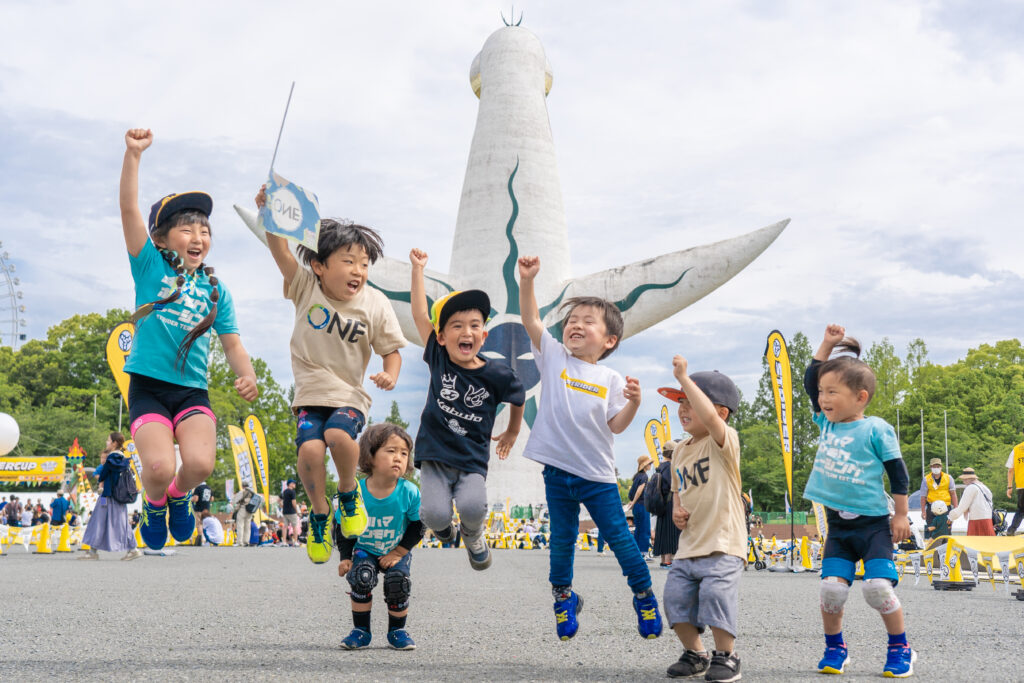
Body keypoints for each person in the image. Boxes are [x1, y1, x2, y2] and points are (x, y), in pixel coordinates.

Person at [120, 128, 259, 551]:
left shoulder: (218, 291)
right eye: (186, 229)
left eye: (204, 230)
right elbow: (128, 210)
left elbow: (233, 344)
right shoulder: (148, 267)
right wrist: (133, 156)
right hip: (148, 387)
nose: (198, 237)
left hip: (192, 391)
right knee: (158, 468)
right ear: (161, 238)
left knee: (198, 464)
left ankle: (178, 496)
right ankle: (156, 499)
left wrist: (248, 376)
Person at [254, 186, 405, 565]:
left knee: (338, 435)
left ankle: (350, 491)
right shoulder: (305, 286)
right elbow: (281, 251)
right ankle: (321, 514)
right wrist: (270, 214)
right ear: (320, 265)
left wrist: (390, 374)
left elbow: (392, 351)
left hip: (349, 396)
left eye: (365, 263)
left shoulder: (375, 303)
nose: (359, 271)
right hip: (309, 394)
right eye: (349, 261)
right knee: (309, 449)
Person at [517, 255, 662, 642]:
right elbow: (531, 321)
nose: (575, 325)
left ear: (610, 340)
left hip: (597, 476)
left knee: (619, 539)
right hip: (556, 471)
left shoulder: (609, 377)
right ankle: (563, 599)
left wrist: (633, 402)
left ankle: (645, 597)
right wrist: (527, 281)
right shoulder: (554, 357)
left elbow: (615, 425)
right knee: (561, 539)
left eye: (587, 321)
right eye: (571, 321)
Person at [802, 326, 914, 678]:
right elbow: (808, 379)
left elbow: (898, 474)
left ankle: (901, 649)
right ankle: (836, 649)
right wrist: (827, 345)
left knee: (878, 589)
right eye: (822, 392)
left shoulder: (876, 428)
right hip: (838, 527)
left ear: (860, 397)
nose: (822, 398)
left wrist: (901, 515)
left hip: (873, 525)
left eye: (832, 392)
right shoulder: (826, 423)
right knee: (830, 591)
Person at [407, 248, 525, 570]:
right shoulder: (439, 357)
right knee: (433, 514)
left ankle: (473, 536)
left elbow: (518, 397)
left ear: (484, 336)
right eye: (456, 326)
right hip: (435, 455)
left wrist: (512, 432)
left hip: (471, 459)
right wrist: (417, 270)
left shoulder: (498, 374)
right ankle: (446, 531)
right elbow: (420, 314)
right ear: (441, 337)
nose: (466, 332)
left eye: (474, 325)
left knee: (473, 506)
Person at [658, 359, 746, 681]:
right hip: (689, 544)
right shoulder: (680, 450)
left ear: (720, 413)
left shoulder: (723, 441)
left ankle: (727, 656)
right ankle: (696, 653)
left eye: (690, 402)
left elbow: (708, 419)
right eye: (680, 402)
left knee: (715, 597)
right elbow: (677, 489)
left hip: (723, 542)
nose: (683, 408)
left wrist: (682, 376)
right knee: (675, 599)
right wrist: (677, 511)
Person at [334, 423, 423, 651]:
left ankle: (397, 631)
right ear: (370, 456)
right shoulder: (356, 492)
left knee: (397, 583)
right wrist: (345, 557)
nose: (398, 458)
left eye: (404, 453)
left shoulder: (409, 491)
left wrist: (399, 552)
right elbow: (343, 525)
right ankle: (361, 631)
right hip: (365, 548)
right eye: (391, 451)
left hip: (396, 548)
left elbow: (418, 525)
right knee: (361, 577)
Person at [81, 432, 143, 561]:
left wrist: (102, 476)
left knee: (104, 521)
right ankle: (94, 550)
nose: (106, 442)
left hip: (109, 495)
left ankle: (132, 549)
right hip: (116, 496)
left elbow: (103, 475)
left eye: (108, 440)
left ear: (114, 443)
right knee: (110, 522)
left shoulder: (113, 457)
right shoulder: (121, 457)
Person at [651, 440, 679, 568]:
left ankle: (663, 559)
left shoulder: (660, 466)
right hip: (669, 502)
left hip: (661, 503)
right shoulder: (669, 467)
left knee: (661, 531)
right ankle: (668, 560)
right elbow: (672, 485)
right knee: (670, 531)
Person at [948, 467, 995, 536]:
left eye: (964, 479)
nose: (963, 481)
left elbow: (962, 507)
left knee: (974, 544)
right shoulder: (985, 487)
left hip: (976, 520)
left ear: (968, 479)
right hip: (988, 519)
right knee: (988, 544)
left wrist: (951, 517)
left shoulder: (971, 488)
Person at [918, 458, 957, 531]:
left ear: (941, 467)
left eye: (938, 466)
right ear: (930, 467)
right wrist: (923, 511)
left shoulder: (949, 478)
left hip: (946, 508)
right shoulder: (926, 479)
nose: (936, 468)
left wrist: (956, 508)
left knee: (946, 531)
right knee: (932, 532)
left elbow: (953, 494)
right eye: (934, 466)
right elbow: (923, 496)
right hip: (931, 509)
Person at [628, 455, 653, 559]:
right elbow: (640, 490)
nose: (650, 465)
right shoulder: (644, 477)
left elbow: (633, 491)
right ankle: (644, 552)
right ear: (645, 465)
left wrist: (632, 502)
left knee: (638, 529)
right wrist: (633, 502)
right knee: (645, 529)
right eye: (649, 463)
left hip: (636, 506)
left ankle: (636, 552)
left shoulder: (637, 476)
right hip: (642, 505)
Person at [1004, 439, 1024, 535]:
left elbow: (1010, 470)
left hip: (1021, 485)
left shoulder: (1016, 449)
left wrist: (1009, 487)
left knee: (1021, 509)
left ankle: (1011, 530)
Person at [281, 480, 300, 547]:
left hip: (285, 512)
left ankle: (284, 542)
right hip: (292, 512)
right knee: (294, 527)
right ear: (290, 484)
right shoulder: (292, 492)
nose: (294, 484)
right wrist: (297, 511)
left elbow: (279, 500)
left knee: (285, 527)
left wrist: (283, 507)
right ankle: (295, 541)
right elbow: (294, 502)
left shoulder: (284, 491)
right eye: (293, 483)